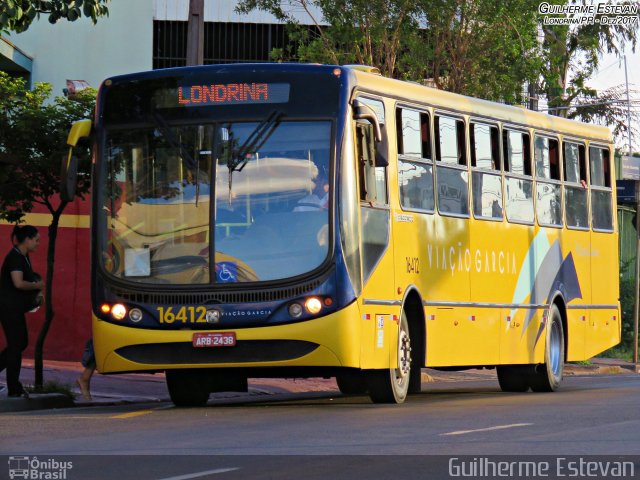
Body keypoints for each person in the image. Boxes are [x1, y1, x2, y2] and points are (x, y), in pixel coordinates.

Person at [0, 225, 43, 398]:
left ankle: (14, 385)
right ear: (27, 239)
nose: (38, 244)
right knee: (17, 345)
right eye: (37, 240)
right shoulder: (15, 258)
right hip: (8, 307)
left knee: (19, 343)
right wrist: (37, 285)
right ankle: (14, 387)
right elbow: (18, 283)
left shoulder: (23, 257)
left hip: (15, 308)